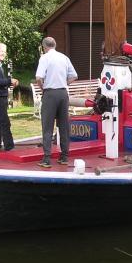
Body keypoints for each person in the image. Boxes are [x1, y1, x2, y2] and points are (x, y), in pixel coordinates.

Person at [35, 36, 78, 168]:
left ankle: (47, 158)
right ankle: (64, 156)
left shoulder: (45, 58)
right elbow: (74, 75)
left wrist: (43, 87)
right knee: (64, 126)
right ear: (55, 45)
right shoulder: (64, 57)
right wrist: (65, 83)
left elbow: (38, 77)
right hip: (63, 94)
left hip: (50, 93)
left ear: (44, 47)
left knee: (47, 126)